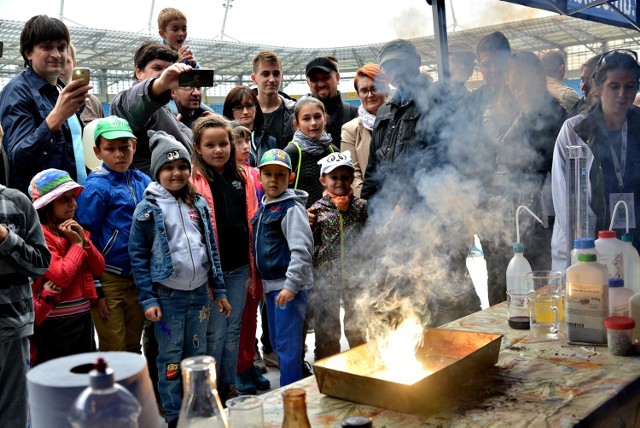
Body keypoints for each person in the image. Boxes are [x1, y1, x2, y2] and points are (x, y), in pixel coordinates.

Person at [129, 130, 229, 427]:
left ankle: (195, 409)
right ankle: (174, 415)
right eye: (169, 168)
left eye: (182, 166)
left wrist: (219, 290)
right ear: (157, 171)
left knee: (196, 354)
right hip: (168, 298)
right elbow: (138, 257)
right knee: (171, 358)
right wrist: (148, 299)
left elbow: (211, 249)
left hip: (199, 294)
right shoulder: (147, 210)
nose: (177, 173)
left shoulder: (198, 204)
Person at [188, 115, 266, 401]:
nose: (218, 150)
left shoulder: (244, 177)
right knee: (215, 331)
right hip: (213, 271)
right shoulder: (193, 180)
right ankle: (211, 388)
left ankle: (229, 383)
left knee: (234, 328)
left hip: (240, 266)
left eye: (223, 144)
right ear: (197, 147)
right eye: (210, 145)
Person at [483, 52, 567, 304]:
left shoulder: (555, 110)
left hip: (543, 212)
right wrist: (524, 115)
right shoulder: (494, 111)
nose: (520, 83)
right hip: (503, 209)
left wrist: (523, 160)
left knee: (540, 279)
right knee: (503, 279)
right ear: (507, 79)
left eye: (526, 76)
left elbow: (557, 155)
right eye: (514, 77)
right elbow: (500, 150)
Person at [551, 50, 640, 271]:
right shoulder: (575, 131)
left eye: (630, 86)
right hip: (589, 248)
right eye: (614, 86)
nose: (622, 94)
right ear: (599, 88)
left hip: (635, 244)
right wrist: (583, 253)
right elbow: (565, 202)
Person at [75, 116, 151, 352]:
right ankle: (113, 389)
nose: (119, 154)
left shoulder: (143, 181)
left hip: (139, 277)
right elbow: (85, 240)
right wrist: (95, 289)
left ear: (134, 146)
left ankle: (131, 388)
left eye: (124, 147)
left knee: (132, 343)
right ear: (98, 152)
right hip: (109, 279)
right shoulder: (95, 188)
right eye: (111, 149)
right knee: (113, 346)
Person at [0, 15, 91, 194]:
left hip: (71, 200)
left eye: (61, 47)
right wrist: (57, 117)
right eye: (47, 47)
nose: (56, 55)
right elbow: (18, 157)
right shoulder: (17, 91)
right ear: (28, 52)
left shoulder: (61, 89)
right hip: (42, 208)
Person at [28, 169, 105, 365]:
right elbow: (61, 275)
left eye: (73, 197)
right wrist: (78, 246)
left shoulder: (73, 228)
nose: (72, 203)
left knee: (84, 372)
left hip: (82, 316)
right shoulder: (41, 236)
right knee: (59, 377)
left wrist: (84, 242)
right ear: (46, 206)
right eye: (64, 199)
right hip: (54, 321)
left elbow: (99, 267)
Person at [252, 149, 313, 387]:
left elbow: (301, 250)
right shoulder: (266, 205)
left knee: (287, 346)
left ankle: (291, 395)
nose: (274, 179)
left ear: (291, 177)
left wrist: (291, 286)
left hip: (289, 288)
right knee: (278, 343)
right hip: (272, 288)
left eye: (280, 174)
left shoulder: (290, 208)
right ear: (260, 177)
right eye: (268, 174)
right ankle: (292, 387)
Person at [0, 182, 50, 426]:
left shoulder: (16, 202)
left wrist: (6, 238)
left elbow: (41, 263)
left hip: (11, 328)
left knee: (13, 414)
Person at [310, 151, 368, 359]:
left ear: (352, 179)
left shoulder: (361, 207)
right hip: (326, 277)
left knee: (357, 324)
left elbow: (368, 237)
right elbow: (312, 244)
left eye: (345, 177)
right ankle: (326, 365)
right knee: (326, 325)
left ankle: (360, 361)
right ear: (323, 180)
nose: (339, 182)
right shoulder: (316, 210)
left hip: (356, 276)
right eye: (334, 177)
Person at [361, 39, 433, 202]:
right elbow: (372, 169)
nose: (396, 73)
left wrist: (403, 207)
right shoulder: (384, 111)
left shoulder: (435, 101)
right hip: (385, 209)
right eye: (389, 68)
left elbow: (432, 160)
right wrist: (365, 212)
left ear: (417, 61)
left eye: (401, 64)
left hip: (422, 210)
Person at [110, 41, 193, 176]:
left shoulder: (165, 106)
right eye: (157, 68)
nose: (164, 74)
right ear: (138, 72)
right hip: (154, 190)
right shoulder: (126, 99)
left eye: (168, 69)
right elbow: (134, 104)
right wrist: (160, 83)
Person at [340, 64, 390, 197]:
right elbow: (351, 172)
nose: (370, 95)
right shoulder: (349, 130)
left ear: (386, 89)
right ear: (358, 95)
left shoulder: (400, 121)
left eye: (374, 89)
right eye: (364, 90)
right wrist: (367, 205)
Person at [285, 96, 339, 208]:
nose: (313, 123)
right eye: (306, 119)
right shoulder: (291, 152)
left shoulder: (333, 151)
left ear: (325, 119)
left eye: (318, 117)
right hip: (300, 220)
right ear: (297, 124)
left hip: (330, 221)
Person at [304, 56, 358, 146]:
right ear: (308, 83)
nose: (321, 84)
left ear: (337, 78)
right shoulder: (296, 119)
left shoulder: (355, 114)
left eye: (325, 78)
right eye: (315, 80)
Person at [251, 50, 296, 149]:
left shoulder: (295, 112)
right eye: (265, 74)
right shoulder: (243, 112)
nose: (272, 80)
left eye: (276, 74)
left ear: (281, 76)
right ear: (254, 78)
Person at [223, 86, 277, 167]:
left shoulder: (269, 141)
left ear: (256, 108)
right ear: (230, 111)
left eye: (249, 106)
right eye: (239, 107)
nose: (245, 112)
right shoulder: (225, 141)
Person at [59, 42, 104, 126]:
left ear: (74, 64)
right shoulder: (36, 99)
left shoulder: (92, 102)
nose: (60, 67)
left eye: (66, 61)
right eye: (56, 61)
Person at [469, 32, 512, 115]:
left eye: (499, 61)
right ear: (480, 67)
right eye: (486, 65)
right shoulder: (473, 100)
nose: (494, 69)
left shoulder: (523, 93)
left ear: (509, 60)